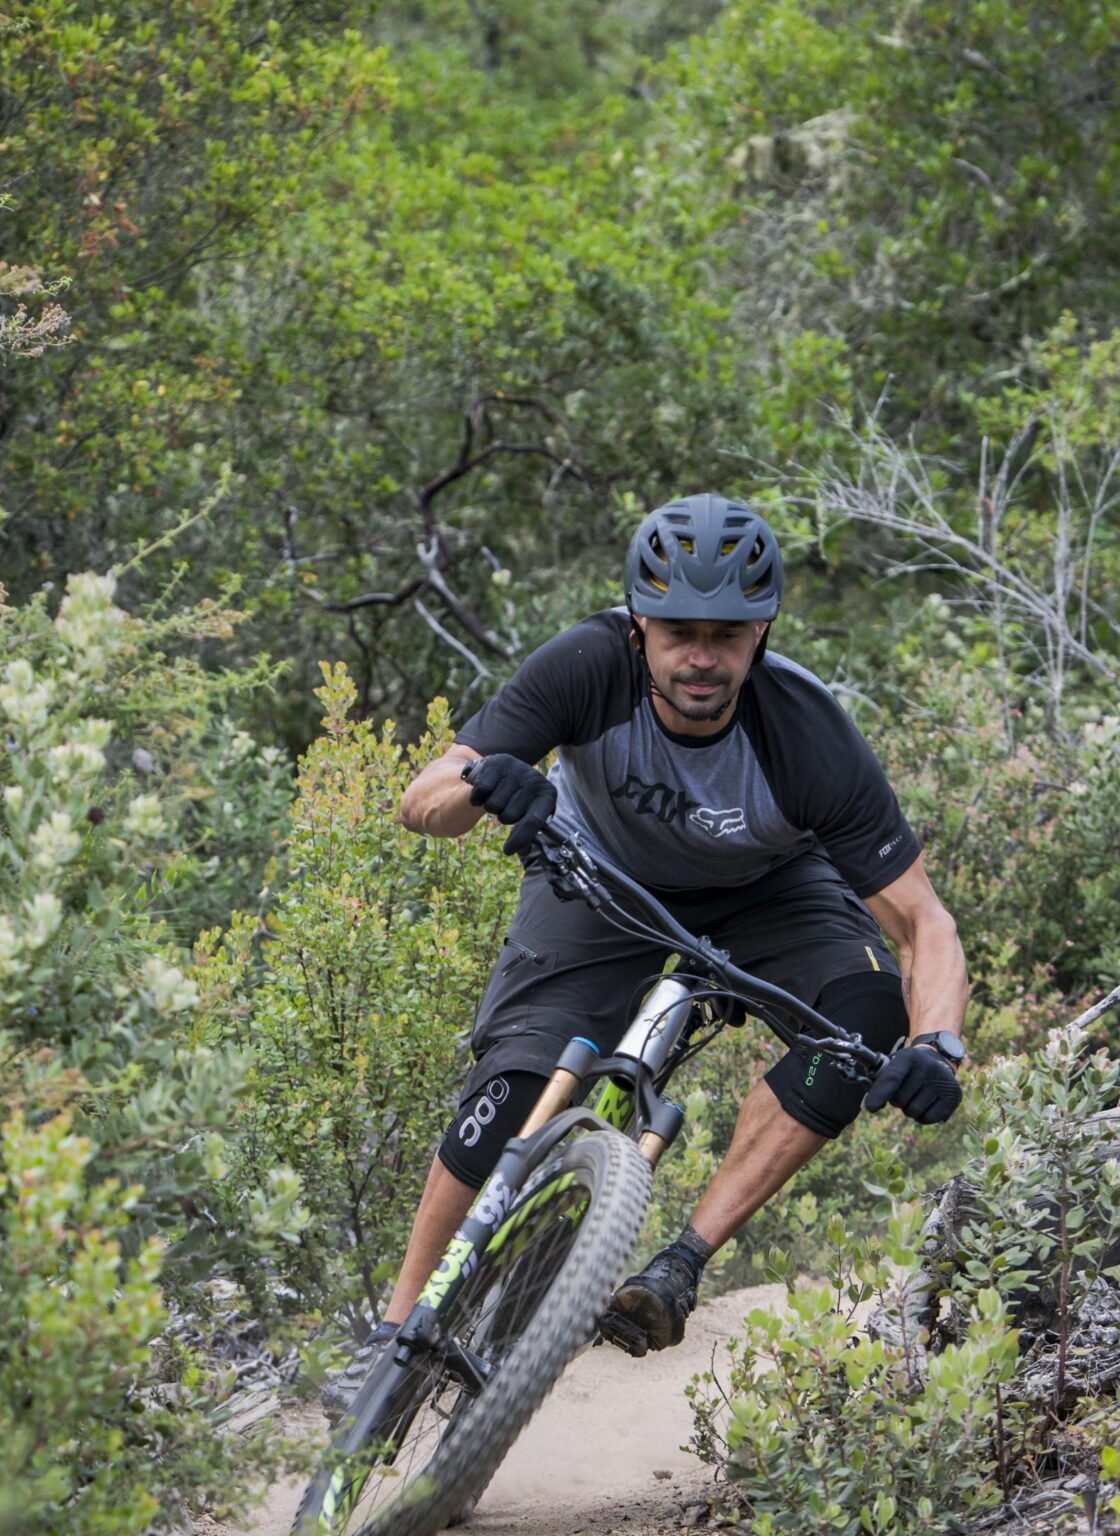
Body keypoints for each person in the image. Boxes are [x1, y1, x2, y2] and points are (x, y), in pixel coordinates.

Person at [323, 493, 971, 1417]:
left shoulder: (805, 732)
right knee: (513, 1085)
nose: (700, 656)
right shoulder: (588, 666)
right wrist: (483, 782)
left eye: (727, 632)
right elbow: (420, 798)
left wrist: (936, 1045)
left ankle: (678, 1264)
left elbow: (924, 924)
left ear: (762, 633)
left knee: (868, 1015)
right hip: (598, 879)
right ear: (638, 627)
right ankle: (394, 1339)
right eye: (676, 630)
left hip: (772, 893)